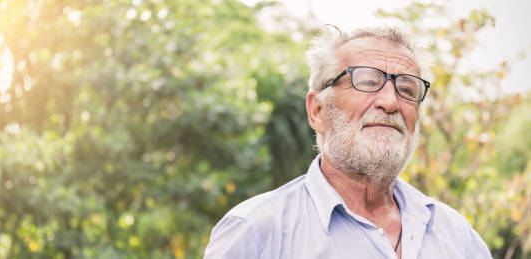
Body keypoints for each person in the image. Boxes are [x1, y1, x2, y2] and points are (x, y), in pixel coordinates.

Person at [203, 27, 492, 259]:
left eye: (406, 88)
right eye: (367, 82)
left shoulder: (457, 236)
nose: (391, 102)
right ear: (318, 111)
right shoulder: (256, 233)